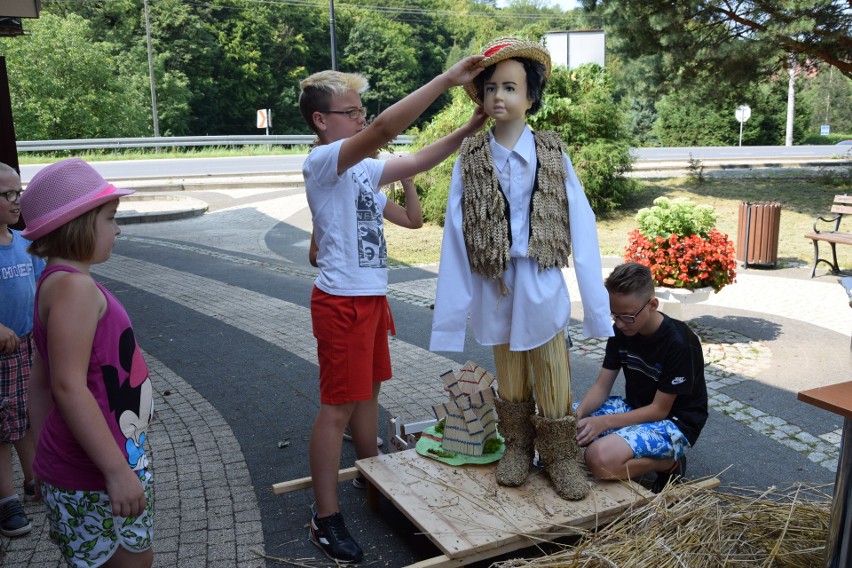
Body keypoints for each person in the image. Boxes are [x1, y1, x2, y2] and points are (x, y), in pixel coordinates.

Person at [299, 55, 487, 563]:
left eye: (362, 111)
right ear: (322, 120)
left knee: (369, 394)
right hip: (340, 303)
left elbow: (419, 161)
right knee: (336, 407)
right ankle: (325, 516)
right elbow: (386, 128)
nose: (362, 118)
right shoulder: (324, 161)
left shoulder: (362, 169)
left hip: (370, 299)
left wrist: (471, 126)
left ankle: (372, 473)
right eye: (351, 111)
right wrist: (449, 80)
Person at [429, 37, 613, 501]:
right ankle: (517, 446)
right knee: (508, 367)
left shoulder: (551, 153)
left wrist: (596, 308)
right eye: (490, 88)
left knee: (551, 365)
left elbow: (583, 225)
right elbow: (454, 235)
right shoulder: (470, 159)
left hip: (541, 276)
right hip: (495, 280)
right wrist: (452, 315)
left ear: (531, 96)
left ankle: (561, 455)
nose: (498, 97)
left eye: (510, 88)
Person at [21, 158, 155, 567]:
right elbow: (67, 386)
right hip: (96, 473)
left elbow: (41, 383)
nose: (117, 230)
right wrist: (116, 472)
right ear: (78, 224)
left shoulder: (55, 281)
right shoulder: (75, 289)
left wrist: (44, 458)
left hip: (86, 464)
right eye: (110, 219)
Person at [574, 262, 708, 494]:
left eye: (627, 316)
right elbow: (601, 387)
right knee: (564, 420)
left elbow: (659, 411)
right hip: (635, 408)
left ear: (652, 305)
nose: (619, 323)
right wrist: (577, 415)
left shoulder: (680, 343)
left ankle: (668, 464)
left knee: (597, 459)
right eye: (614, 314)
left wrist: (603, 423)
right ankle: (622, 445)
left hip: (675, 423)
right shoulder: (621, 330)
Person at [0, 162, 45, 538]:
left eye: (19, 192)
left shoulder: (24, 243)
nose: (17, 201)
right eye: (7, 195)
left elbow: (44, 285)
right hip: (1, 355)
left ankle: (35, 479)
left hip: (27, 347)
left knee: (26, 418)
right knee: (2, 428)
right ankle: (7, 499)